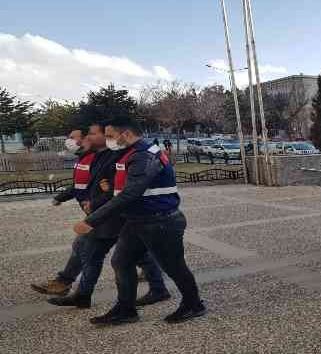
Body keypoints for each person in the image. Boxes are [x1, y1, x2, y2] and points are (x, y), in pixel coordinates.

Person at [74, 117, 205, 325]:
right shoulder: (129, 153)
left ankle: (193, 304)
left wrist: (91, 220)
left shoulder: (143, 156)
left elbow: (130, 194)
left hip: (160, 222)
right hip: (137, 220)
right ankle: (125, 309)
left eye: (110, 136)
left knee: (174, 266)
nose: (108, 140)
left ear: (126, 134)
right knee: (121, 261)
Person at [47, 122, 170, 309]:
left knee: (109, 256)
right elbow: (94, 185)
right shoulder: (96, 156)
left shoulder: (124, 155)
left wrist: (93, 213)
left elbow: (124, 190)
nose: (87, 137)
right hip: (107, 214)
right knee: (113, 254)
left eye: (92, 133)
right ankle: (152, 292)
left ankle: (120, 304)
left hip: (114, 215)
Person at [30, 129, 90, 296]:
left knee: (82, 245)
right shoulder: (83, 158)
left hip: (102, 213)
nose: (68, 140)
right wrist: (61, 197)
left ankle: (64, 283)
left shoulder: (94, 158)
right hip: (98, 212)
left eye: (72, 137)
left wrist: (95, 205)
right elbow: (79, 185)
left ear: (84, 139)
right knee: (130, 248)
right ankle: (154, 278)